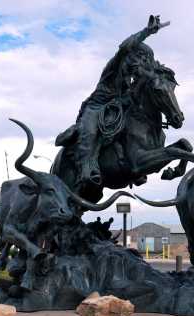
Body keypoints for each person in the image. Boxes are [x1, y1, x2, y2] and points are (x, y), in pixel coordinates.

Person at [55, 15, 168, 188]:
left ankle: (135, 163)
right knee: (91, 132)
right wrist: (146, 32)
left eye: (147, 61)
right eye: (143, 59)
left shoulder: (131, 80)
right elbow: (123, 48)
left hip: (116, 109)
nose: (144, 64)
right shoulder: (115, 66)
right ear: (132, 57)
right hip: (96, 107)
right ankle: (87, 166)